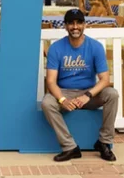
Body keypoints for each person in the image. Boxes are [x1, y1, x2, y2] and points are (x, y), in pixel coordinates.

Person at [41, 9, 119, 162]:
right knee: (47, 103)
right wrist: (62, 99)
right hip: (65, 92)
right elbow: (51, 81)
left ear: (85, 25)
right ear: (65, 26)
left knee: (112, 94)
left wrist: (87, 96)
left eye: (78, 23)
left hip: (89, 93)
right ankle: (70, 147)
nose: (75, 27)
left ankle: (104, 142)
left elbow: (104, 79)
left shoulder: (95, 47)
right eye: (71, 23)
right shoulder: (56, 48)